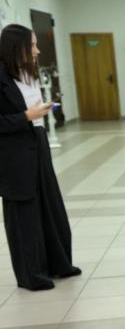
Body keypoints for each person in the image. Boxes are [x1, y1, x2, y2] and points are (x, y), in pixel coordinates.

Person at [0, 24, 81, 291]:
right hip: (13, 156)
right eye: (32, 45)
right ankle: (31, 275)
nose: (37, 50)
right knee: (23, 216)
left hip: (37, 144)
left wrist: (38, 113)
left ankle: (59, 264)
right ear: (17, 47)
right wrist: (26, 116)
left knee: (50, 207)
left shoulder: (28, 74)